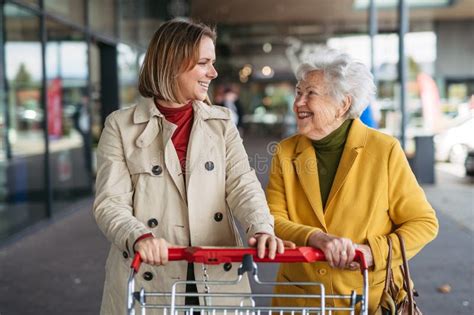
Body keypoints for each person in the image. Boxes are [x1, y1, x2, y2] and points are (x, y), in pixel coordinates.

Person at [93, 19, 288, 314]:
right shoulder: (120, 126)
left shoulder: (221, 123)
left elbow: (242, 185)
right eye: (203, 63)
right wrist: (139, 236)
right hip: (150, 277)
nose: (213, 72)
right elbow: (110, 202)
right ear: (173, 64)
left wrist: (261, 228)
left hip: (217, 277)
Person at [266, 46, 439, 313]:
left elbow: (423, 222)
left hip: (370, 299)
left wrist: (372, 253)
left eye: (310, 94)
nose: (298, 102)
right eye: (298, 92)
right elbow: (273, 219)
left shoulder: (384, 150)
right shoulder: (285, 152)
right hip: (301, 299)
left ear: (343, 104)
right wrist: (315, 237)